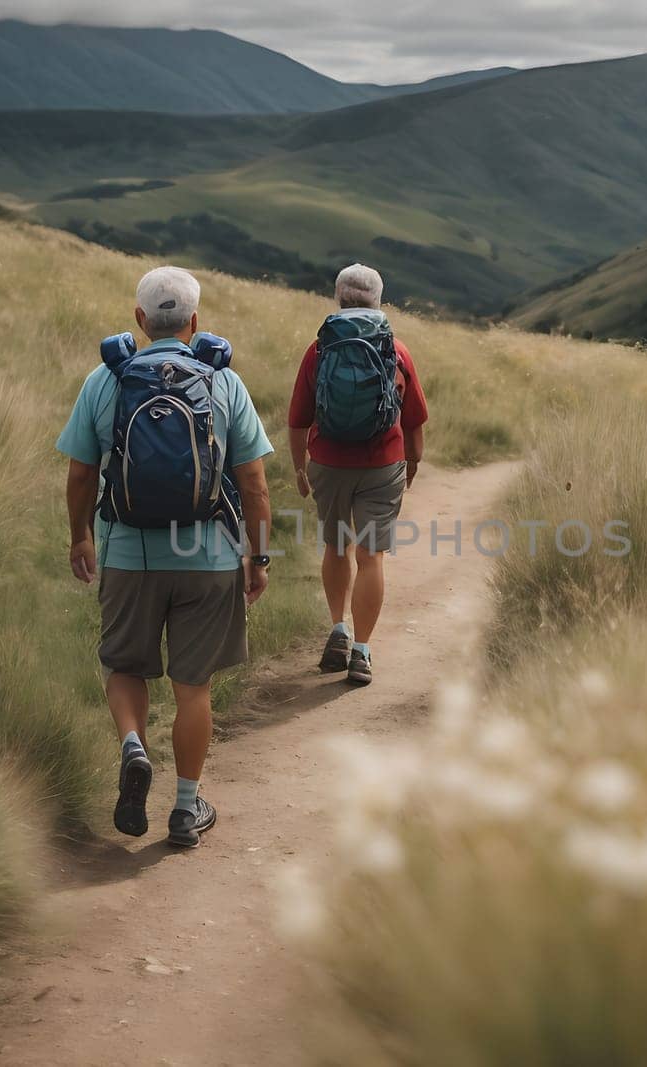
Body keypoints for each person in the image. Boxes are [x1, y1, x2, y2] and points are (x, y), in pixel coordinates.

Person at [58, 266, 273, 848]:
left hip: (128, 553)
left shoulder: (106, 380)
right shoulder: (224, 383)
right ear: (196, 322)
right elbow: (253, 483)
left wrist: (81, 535)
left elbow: (81, 475)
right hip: (206, 556)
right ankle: (184, 808)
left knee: (125, 667)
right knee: (192, 686)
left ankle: (133, 744)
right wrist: (259, 557)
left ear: (140, 320)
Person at [288, 263, 427, 687]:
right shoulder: (396, 350)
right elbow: (414, 419)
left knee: (336, 546)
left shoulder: (320, 349)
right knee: (371, 557)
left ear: (339, 297)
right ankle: (362, 652)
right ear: (378, 300)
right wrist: (412, 462)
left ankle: (337, 629)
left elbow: (298, 418)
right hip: (382, 463)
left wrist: (300, 467)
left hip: (328, 461)